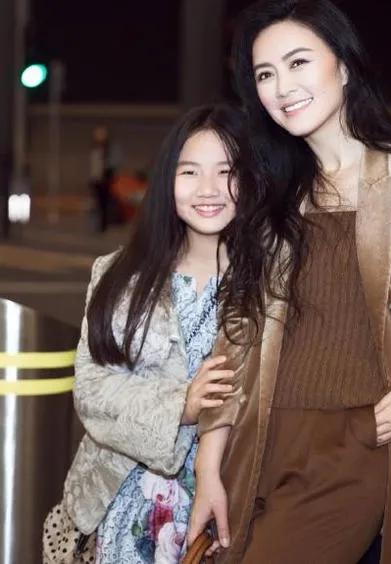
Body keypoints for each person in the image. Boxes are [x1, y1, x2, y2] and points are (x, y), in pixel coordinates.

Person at [187, 2, 391, 563]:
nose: (283, 87)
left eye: (298, 62)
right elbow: (237, 339)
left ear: (346, 66)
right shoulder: (269, 197)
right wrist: (210, 468)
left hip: (364, 440)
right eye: (265, 74)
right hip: (262, 446)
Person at [50, 104, 246, 563]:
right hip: (126, 505)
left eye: (227, 172)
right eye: (190, 171)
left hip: (233, 499)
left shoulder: (271, 280)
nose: (209, 188)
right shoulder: (120, 274)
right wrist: (182, 405)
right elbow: (92, 390)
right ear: (166, 181)